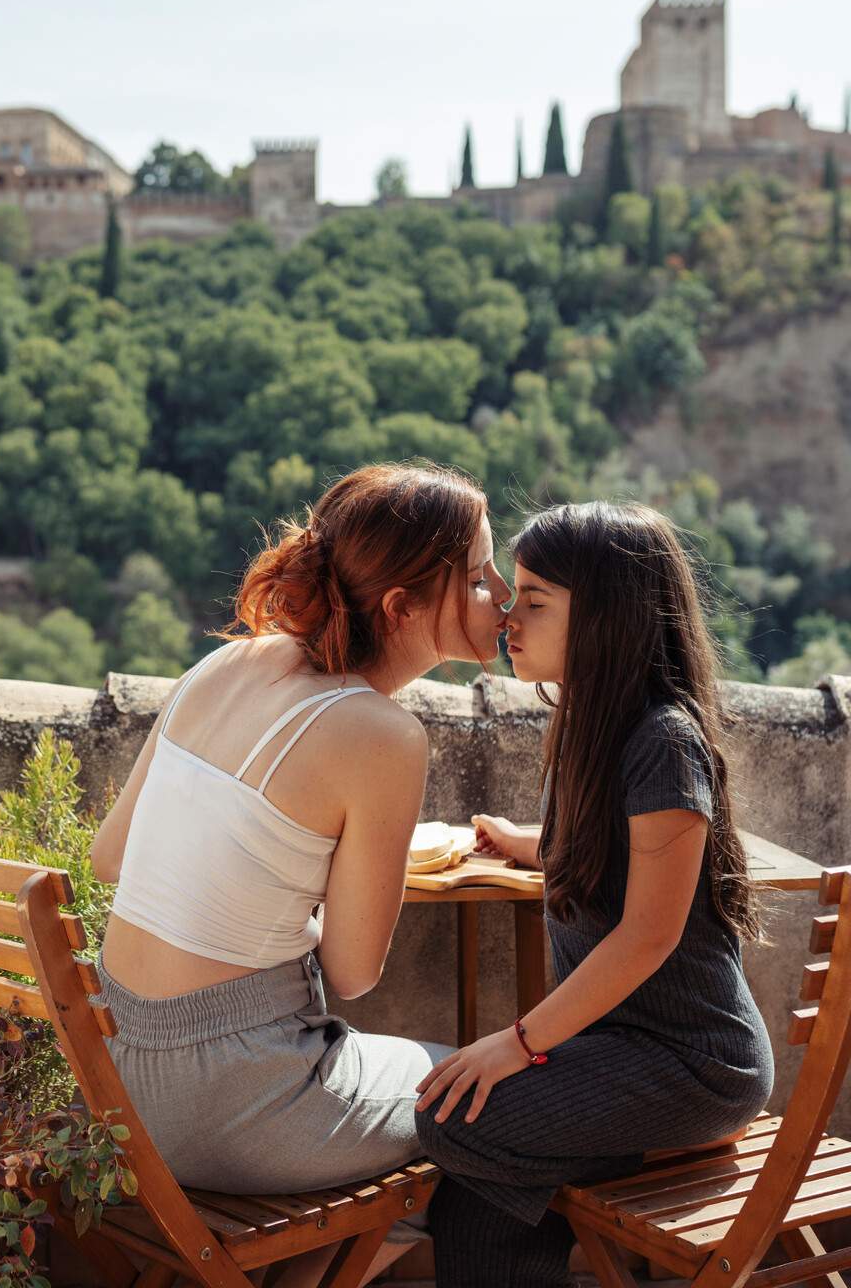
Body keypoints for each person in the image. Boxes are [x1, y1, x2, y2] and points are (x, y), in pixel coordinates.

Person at [88, 461, 509, 1287]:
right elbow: (352, 973)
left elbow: (112, 855)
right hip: (235, 1096)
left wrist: (261, 880)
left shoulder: (225, 665)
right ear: (402, 607)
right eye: (478, 576)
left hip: (115, 1085)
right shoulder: (382, 735)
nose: (501, 591)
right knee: (492, 1102)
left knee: (444, 1101)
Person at [414, 500, 775, 1287]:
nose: (509, 615)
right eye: (512, 594)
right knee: (473, 1205)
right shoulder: (595, 726)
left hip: (695, 1066)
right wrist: (532, 845)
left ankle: (637, 1143)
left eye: (536, 600)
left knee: (450, 1119)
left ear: (610, 615)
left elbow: (647, 933)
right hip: (620, 1053)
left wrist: (515, 1044)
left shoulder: (664, 741)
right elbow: (622, 854)